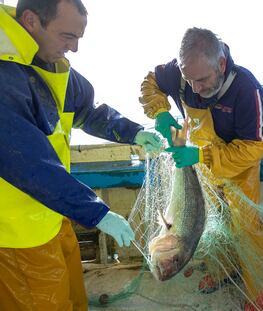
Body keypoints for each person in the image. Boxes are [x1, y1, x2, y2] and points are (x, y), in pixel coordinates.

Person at [0, 0, 162, 310]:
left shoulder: (44, 57)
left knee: (71, 295)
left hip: (52, 212)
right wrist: (96, 212)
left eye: (78, 38)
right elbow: (30, 165)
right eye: (67, 36)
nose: (74, 48)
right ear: (31, 21)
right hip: (17, 233)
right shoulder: (5, 75)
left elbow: (88, 110)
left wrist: (132, 132)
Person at [139, 27, 263, 311]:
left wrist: (201, 153)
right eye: (189, 80)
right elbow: (150, 84)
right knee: (210, 223)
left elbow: (253, 148)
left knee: (247, 229)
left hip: (238, 168)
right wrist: (161, 112)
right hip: (197, 164)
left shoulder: (247, 89)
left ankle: (254, 288)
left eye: (202, 79)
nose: (195, 88)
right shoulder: (179, 73)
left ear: (221, 64)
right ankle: (221, 270)